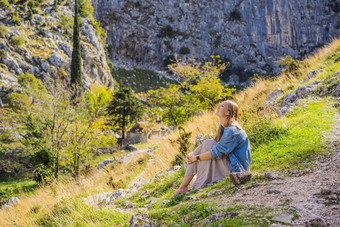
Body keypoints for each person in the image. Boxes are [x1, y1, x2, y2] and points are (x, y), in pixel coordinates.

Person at [171, 100, 251, 198]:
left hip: (237, 170)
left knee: (208, 144)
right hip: (230, 164)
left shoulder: (232, 130)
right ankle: (184, 186)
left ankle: (185, 187)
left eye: (222, 106)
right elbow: (216, 146)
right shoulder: (224, 128)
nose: (218, 107)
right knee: (208, 143)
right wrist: (193, 154)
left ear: (228, 112)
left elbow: (217, 153)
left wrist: (196, 157)